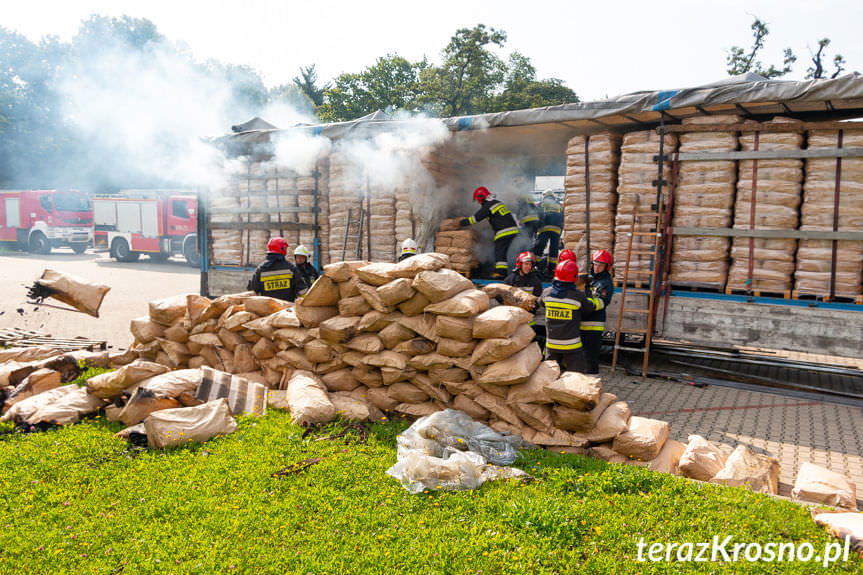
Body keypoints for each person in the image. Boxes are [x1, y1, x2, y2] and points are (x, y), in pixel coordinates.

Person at [538, 259, 605, 373]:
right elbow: (588, 309)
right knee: (575, 376)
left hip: (551, 345)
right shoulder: (577, 296)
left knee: (549, 375)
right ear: (573, 278)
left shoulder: (547, 293)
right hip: (571, 347)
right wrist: (591, 295)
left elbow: (540, 303)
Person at [459, 186, 519, 278]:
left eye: (478, 200)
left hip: (504, 231)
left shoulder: (488, 206)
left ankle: (500, 273)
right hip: (513, 229)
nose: (478, 202)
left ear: (481, 197)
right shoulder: (497, 203)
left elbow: (475, 219)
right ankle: (503, 271)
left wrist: (460, 222)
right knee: (502, 251)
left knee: (499, 252)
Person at [580, 249, 614, 374]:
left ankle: (592, 383)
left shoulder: (606, 283)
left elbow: (602, 302)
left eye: (600, 265)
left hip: (594, 326)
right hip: (581, 323)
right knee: (579, 357)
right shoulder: (588, 279)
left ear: (606, 267)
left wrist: (584, 304)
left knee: (591, 358)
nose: (597, 267)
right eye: (595, 264)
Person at [247, 237, 306, 302]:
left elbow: (252, 291)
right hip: (287, 309)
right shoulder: (291, 268)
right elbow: (302, 291)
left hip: (268, 310)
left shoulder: (261, 269)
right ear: (283, 249)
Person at [533, 190, 563, 278]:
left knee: (539, 248)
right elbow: (563, 218)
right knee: (554, 250)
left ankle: (535, 266)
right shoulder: (559, 205)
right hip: (556, 230)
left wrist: (535, 230)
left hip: (544, 229)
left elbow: (536, 216)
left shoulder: (541, 204)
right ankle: (552, 269)